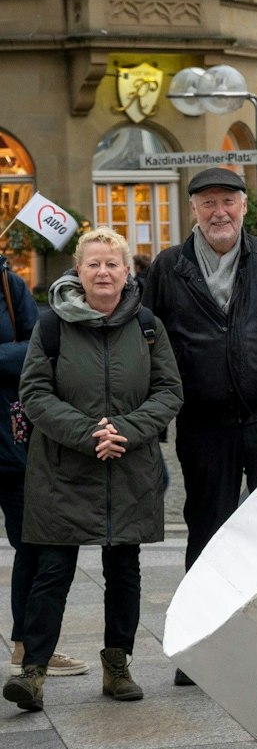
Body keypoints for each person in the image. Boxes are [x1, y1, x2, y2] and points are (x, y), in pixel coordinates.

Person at [4, 229, 182, 712]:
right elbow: (35, 394)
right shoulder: (53, 326)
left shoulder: (147, 326)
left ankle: (117, 664)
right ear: (78, 272)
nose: (103, 273)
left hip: (126, 465)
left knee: (123, 569)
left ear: (127, 272)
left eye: (112, 264)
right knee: (53, 569)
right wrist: (89, 434)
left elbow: (169, 391)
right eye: (94, 265)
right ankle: (34, 671)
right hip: (64, 468)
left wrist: (122, 429)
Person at [142, 168, 257, 584]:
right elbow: (150, 339)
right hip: (204, 424)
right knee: (206, 525)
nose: (220, 213)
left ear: (244, 205)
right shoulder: (168, 267)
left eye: (228, 201)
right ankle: (205, 620)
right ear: (193, 209)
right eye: (209, 203)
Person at [0, 258, 86, 679]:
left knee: (30, 548)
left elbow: (35, 351)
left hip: (12, 444)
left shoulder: (8, 283)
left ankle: (27, 646)